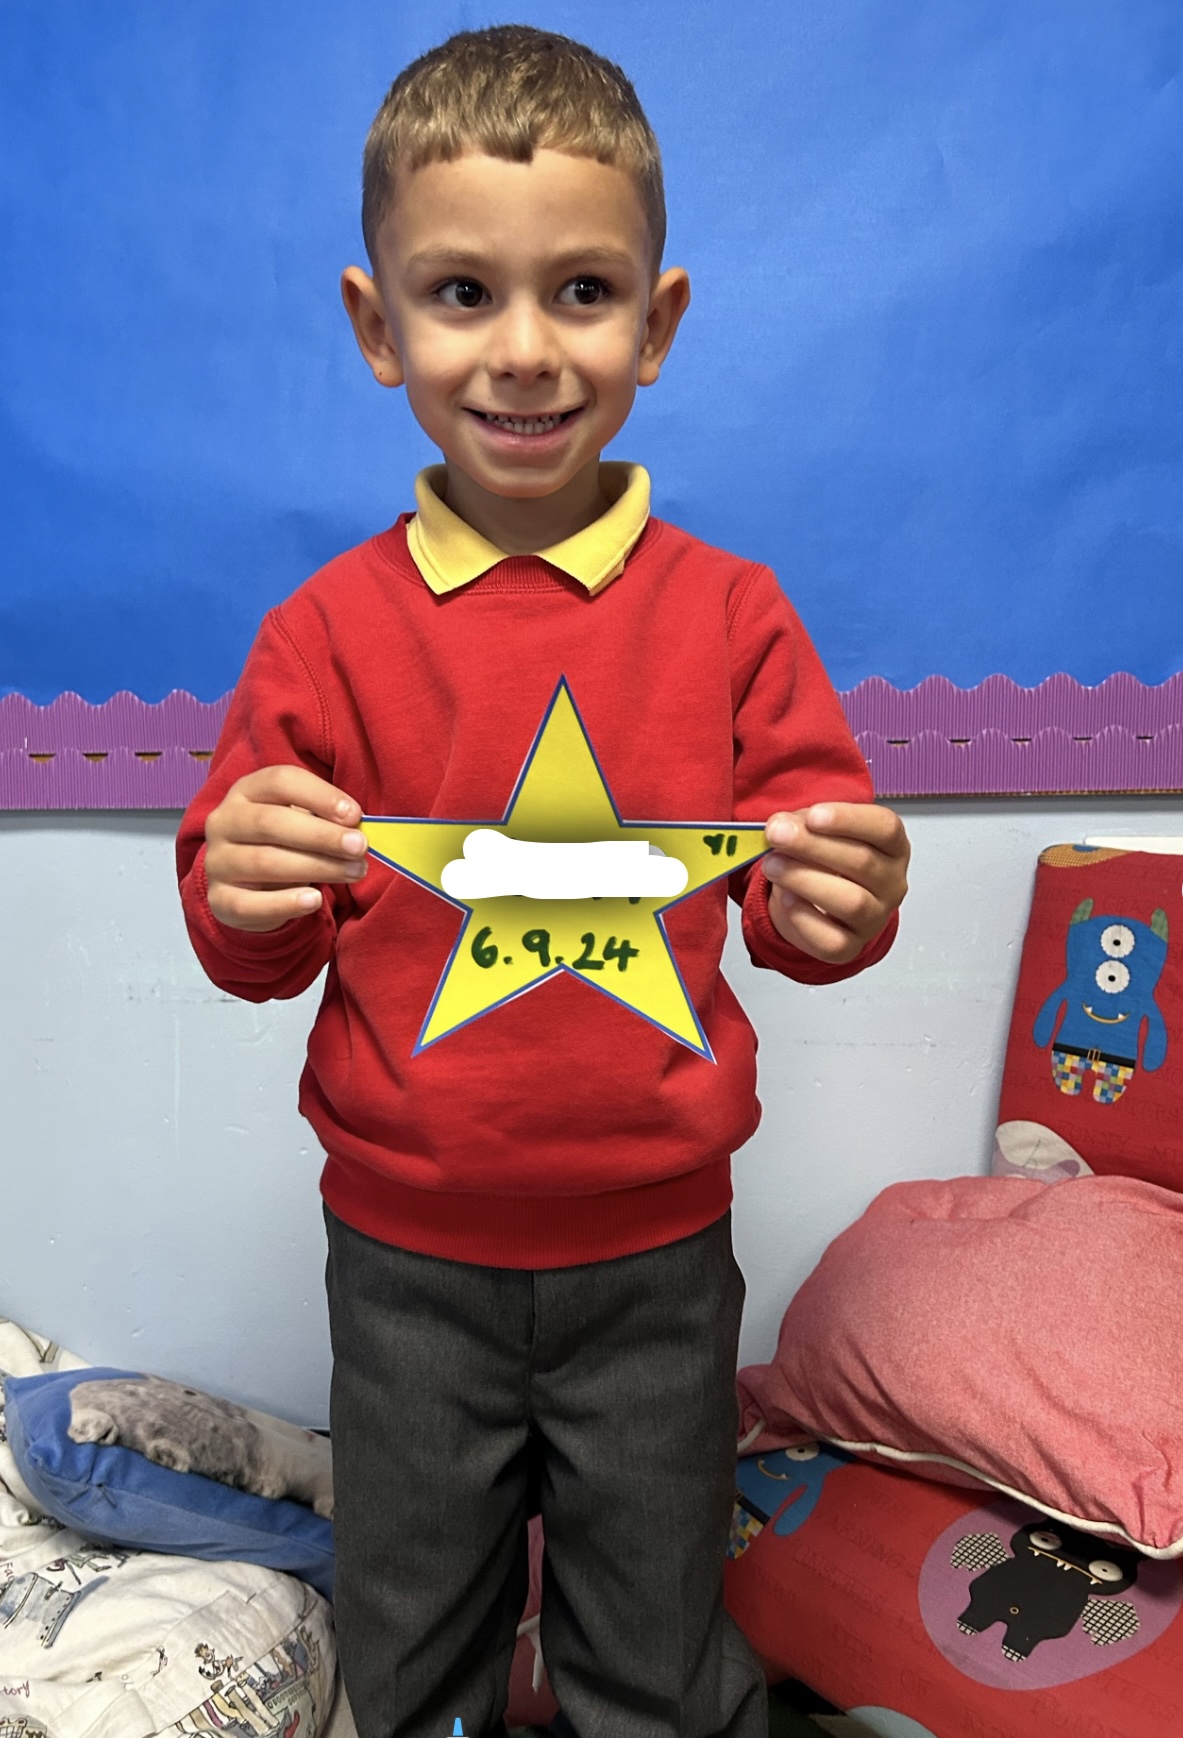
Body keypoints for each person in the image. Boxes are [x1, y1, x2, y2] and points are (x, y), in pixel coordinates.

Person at [176, 24, 910, 1738]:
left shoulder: (734, 615)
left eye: (582, 291)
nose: (523, 349)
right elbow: (249, 940)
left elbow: (807, 906)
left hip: (660, 1261)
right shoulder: (320, 633)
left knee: (652, 1641)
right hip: (402, 1262)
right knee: (408, 1630)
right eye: (461, 294)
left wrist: (844, 904)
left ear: (657, 323)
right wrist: (241, 887)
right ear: (378, 326)